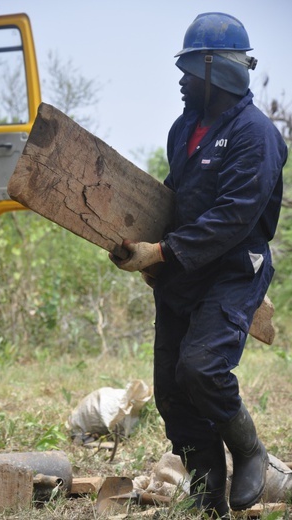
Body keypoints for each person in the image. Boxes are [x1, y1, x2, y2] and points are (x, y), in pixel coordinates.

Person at [110, 12, 288, 519]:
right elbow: (177, 198)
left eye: (189, 70)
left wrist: (163, 252)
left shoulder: (257, 136)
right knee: (170, 389)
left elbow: (233, 218)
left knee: (202, 368)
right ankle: (208, 491)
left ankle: (249, 451)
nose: (182, 81)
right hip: (183, 272)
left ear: (217, 70)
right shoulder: (183, 129)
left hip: (233, 270)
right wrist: (143, 249)